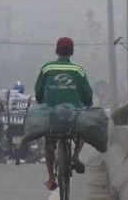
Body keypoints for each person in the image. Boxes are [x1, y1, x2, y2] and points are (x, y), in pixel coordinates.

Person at [34, 36, 93, 192]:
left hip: (51, 115)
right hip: (73, 115)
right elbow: (87, 94)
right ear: (72, 52)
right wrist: (88, 103)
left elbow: (38, 91)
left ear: (57, 51)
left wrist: (41, 100)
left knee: (48, 144)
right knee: (82, 131)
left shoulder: (47, 68)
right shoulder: (78, 70)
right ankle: (75, 155)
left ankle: (51, 178)